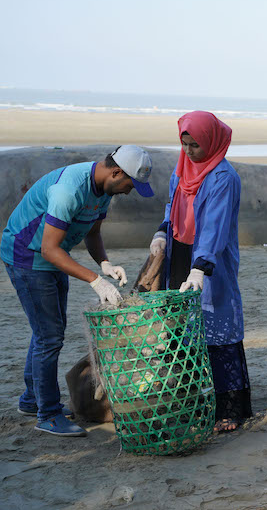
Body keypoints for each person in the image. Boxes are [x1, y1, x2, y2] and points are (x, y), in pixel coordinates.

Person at [2, 145, 154, 436]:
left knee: (47, 330)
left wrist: (105, 264)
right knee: (50, 337)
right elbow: (48, 249)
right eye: (130, 184)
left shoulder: (104, 190)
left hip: (54, 256)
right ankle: (47, 415)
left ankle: (31, 400)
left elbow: (93, 233)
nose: (129, 191)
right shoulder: (68, 191)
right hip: (29, 257)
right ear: (116, 172)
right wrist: (95, 280)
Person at [149, 111, 251, 432]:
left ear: (211, 141)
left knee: (219, 329)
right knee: (180, 328)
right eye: (185, 144)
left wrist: (200, 267)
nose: (190, 151)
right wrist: (163, 231)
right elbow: (172, 206)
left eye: (196, 145)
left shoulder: (224, 178)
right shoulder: (181, 171)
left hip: (210, 260)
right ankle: (190, 399)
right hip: (180, 255)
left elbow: (215, 227)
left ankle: (230, 409)